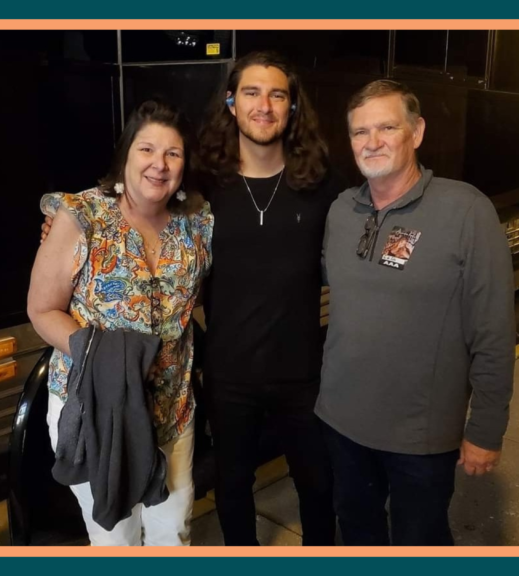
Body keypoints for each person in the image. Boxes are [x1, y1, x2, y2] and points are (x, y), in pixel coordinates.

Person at [316, 79, 516, 546]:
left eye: (387, 127)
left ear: (417, 132)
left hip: (420, 437)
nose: (372, 142)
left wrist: (486, 428)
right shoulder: (342, 211)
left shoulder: (465, 211)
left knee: (419, 540)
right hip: (342, 423)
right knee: (358, 533)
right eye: (360, 132)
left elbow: (493, 331)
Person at [27, 99, 213, 546]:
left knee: (173, 530)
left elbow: (196, 298)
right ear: (126, 156)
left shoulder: (198, 223)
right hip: (97, 409)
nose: (159, 164)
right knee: (116, 537)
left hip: (172, 410)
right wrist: (104, 356)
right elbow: (41, 310)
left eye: (173, 153)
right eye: (146, 150)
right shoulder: (82, 217)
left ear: (185, 166)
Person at [195, 51, 340, 546]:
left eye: (277, 94)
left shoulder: (319, 184)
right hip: (228, 373)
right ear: (231, 104)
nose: (265, 105)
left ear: (292, 107)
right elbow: (133, 203)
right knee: (232, 485)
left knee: (319, 484)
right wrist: (60, 216)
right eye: (252, 93)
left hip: (303, 372)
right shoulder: (202, 186)